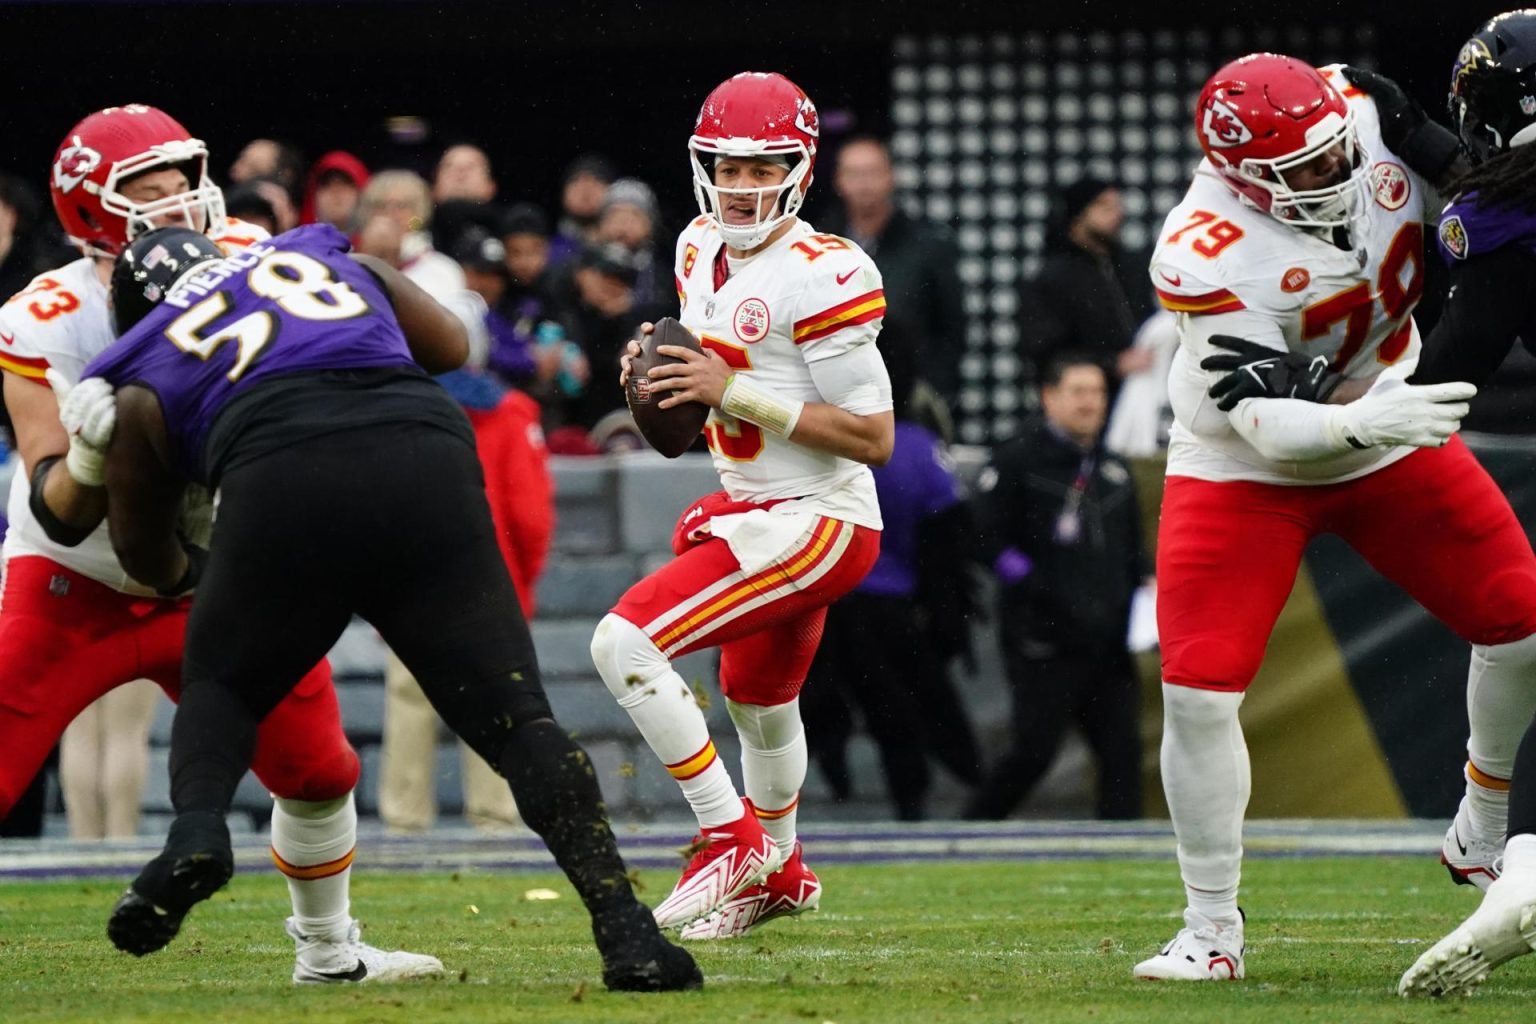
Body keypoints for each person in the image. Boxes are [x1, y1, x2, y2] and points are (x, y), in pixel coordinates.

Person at [87, 222, 700, 993]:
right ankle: (627, 932)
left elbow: (145, 556)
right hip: (421, 454)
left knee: (222, 686)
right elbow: (450, 347)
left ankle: (196, 831)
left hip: (283, 480)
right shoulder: (325, 261)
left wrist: (214, 564)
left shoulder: (143, 371)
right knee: (521, 721)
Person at [0, 105, 441, 983]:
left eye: (183, 182)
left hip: (219, 577)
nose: (181, 204)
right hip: (74, 585)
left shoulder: (249, 253)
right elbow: (58, 513)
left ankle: (327, 953)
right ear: (90, 211)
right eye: (149, 193)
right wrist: (91, 454)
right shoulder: (45, 314)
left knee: (320, 770)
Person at [1132, 54, 1536, 983]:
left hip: (1391, 415)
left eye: (1332, 152)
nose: (1334, 174)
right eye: (1302, 171)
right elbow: (1269, 429)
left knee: (1520, 626)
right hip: (1244, 463)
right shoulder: (1201, 246)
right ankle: (1210, 932)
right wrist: (1364, 418)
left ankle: (1484, 814)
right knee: (1197, 693)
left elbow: (1477, 179)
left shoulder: (1357, 113)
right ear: (1242, 177)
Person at [591, 70, 893, 940]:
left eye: (766, 169)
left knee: (625, 640)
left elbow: (873, 437)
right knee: (760, 703)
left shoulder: (828, 269)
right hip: (754, 504)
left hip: (820, 517)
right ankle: (781, 871)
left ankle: (732, 836)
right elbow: (698, 406)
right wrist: (660, 380)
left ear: (801, 170)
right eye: (729, 166)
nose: (744, 185)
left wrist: (734, 389)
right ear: (702, 165)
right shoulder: (693, 247)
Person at [800, 325, 980, 819]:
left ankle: (834, 772)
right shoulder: (917, 447)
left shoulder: (814, 438)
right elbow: (950, 539)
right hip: (889, 606)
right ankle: (919, 801)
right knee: (903, 713)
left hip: (824, 601)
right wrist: (947, 615)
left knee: (822, 706)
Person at [963, 353, 1149, 821]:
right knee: (1033, 751)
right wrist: (1030, 583)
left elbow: (1130, 544)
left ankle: (1120, 859)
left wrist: (1143, 580)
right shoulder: (1017, 460)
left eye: (1099, 392)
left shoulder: (1112, 466)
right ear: (1050, 397)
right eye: (1079, 392)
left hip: (1107, 642)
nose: (1091, 403)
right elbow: (982, 537)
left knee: (1122, 755)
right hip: (1044, 639)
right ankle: (970, 832)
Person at [819, 136, 967, 413]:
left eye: (872, 172)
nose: (863, 183)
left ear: (890, 176)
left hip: (913, 392)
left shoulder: (928, 243)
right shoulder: (819, 241)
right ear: (838, 179)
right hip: (835, 391)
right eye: (854, 173)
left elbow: (950, 328)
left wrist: (936, 388)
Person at [1016, 177, 1157, 386]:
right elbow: (1047, 351)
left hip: (1141, 393)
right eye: (1103, 205)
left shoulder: (1131, 267)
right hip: (1087, 393)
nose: (1117, 213)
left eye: (1118, 205)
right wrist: (1111, 364)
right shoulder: (1053, 277)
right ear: (1077, 213)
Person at [300, 150, 369, 232]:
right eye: (326, 184)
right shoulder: (295, 242)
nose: (336, 191)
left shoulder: (383, 243)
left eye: (345, 183)